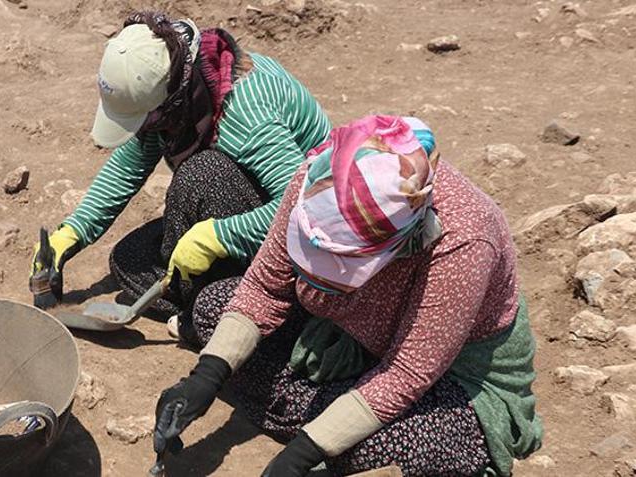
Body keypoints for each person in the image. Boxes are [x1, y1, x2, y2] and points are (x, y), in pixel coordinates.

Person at [152, 115, 543, 476]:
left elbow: (407, 373)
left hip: (450, 375)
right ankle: (322, 415)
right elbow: (265, 285)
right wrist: (205, 378)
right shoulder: (321, 175)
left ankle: (315, 421)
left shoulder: (464, 240)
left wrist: (304, 452)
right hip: (343, 331)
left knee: (406, 445)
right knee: (213, 309)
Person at [30, 11, 330, 342]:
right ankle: (211, 297)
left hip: (306, 244)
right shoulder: (183, 91)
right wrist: (72, 233)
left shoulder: (247, 114)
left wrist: (219, 237)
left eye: (145, 121)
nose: (145, 131)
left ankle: (235, 306)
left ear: (169, 102)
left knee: (202, 175)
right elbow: (127, 166)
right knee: (127, 260)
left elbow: (304, 209)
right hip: (240, 201)